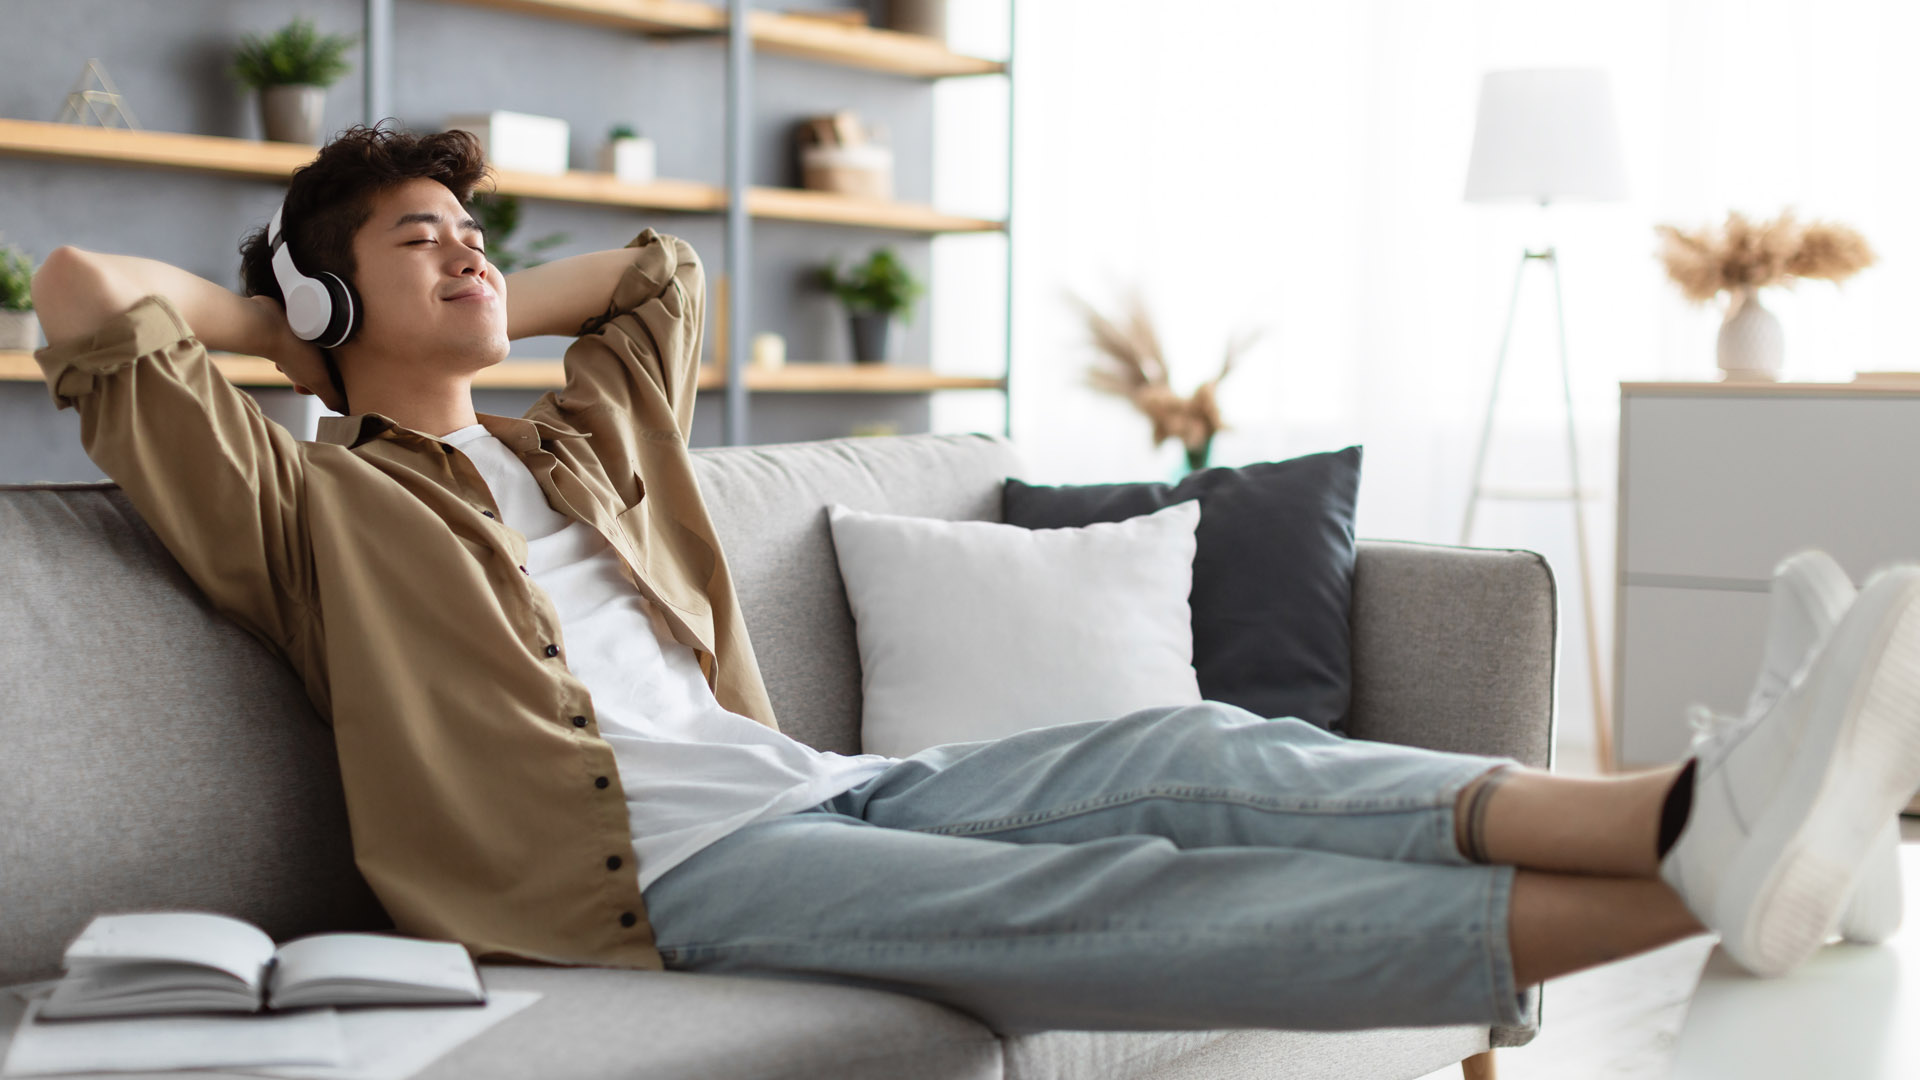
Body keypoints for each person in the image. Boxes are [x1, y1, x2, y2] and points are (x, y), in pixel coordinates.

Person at [28, 123, 1920, 1035]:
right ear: (329, 300)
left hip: (818, 791)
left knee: (1214, 751)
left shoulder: (576, 450)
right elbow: (84, 301)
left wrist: (454, 288)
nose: (470, 264)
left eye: (475, 235)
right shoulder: (308, 503)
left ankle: (1701, 808)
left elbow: (662, 271)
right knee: (1127, 894)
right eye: (419, 244)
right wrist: (290, 317)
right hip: (653, 884)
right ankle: (1702, 889)